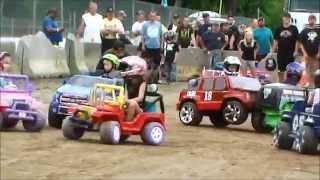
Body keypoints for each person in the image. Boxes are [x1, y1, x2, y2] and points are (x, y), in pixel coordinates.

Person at [273, 13, 299, 82]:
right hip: (281, 53)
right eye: (285, 18)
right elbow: (276, 41)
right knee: (280, 70)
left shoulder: (294, 28)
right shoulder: (279, 28)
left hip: (290, 53)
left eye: (288, 18)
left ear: (290, 19)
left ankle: (288, 84)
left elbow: (297, 41)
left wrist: (296, 51)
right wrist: (272, 51)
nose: (286, 19)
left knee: (290, 70)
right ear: (283, 18)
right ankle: (281, 83)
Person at [299, 14, 320, 87]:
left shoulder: (318, 30)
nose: (312, 20)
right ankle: (311, 87)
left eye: (313, 19)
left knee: (315, 73)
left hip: (316, 57)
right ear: (308, 20)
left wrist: (319, 52)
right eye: (310, 19)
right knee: (308, 73)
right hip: (307, 57)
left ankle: (315, 87)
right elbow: (300, 43)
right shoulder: (304, 31)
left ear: (315, 20)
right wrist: (304, 53)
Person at [141, 11, 162, 82]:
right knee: (147, 63)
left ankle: (158, 78)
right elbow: (142, 36)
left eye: (154, 16)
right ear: (149, 16)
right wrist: (143, 45)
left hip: (156, 46)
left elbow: (161, 35)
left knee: (158, 63)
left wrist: (161, 44)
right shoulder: (145, 25)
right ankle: (146, 78)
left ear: (156, 17)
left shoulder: (159, 24)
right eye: (151, 16)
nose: (152, 17)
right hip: (148, 46)